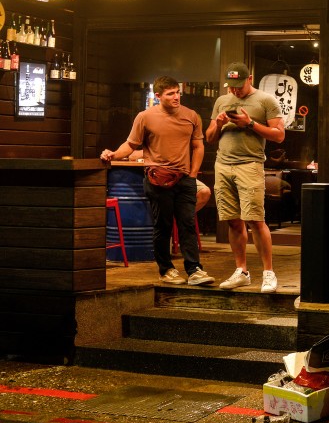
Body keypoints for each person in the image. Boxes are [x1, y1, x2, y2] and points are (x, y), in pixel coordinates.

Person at [101, 76, 213, 286]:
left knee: (187, 224)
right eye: (170, 93)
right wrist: (113, 155)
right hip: (158, 179)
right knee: (163, 225)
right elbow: (130, 145)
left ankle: (194, 269)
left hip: (185, 179)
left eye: (177, 92)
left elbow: (198, 146)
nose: (176, 97)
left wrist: (193, 174)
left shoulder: (191, 116)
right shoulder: (145, 117)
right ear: (158, 96)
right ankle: (166, 269)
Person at [206, 62, 286, 293]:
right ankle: (241, 271)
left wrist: (250, 123)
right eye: (231, 87)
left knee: (255, 219)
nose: (235, 91)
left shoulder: (265, 101)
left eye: (239, 86)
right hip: (223, 164)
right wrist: (219, 124)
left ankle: (268, 273)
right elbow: (209, 137)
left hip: (250, 165)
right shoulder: (222, 101)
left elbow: (279, 135)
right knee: (232, 219)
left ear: (250, 78)